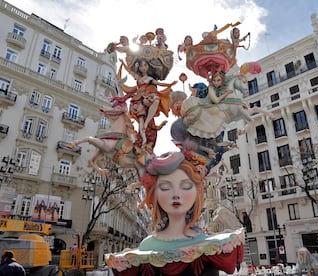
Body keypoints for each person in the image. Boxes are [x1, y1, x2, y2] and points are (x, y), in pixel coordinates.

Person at [105, 151, 245, 276]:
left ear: (197, 192)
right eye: (165, 187)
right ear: (155, 195)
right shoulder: (147, 246)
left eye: (185, 186)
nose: (176, 194)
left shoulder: (210, 246)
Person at [119, 58, 177, 148]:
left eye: (145, 65)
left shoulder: (149, 78)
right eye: (141, 66)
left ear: (148, 67)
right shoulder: (138, 78)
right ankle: (144, 140)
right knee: (141, 120)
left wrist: (170, 84)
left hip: (146, 98)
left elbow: (159, 84)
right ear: (139, 68)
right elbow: (130, 71)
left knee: (156, 100)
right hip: (137, 101)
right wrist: (123, 63)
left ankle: (147, 124)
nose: (143, 67)